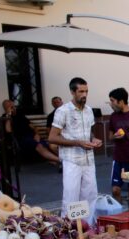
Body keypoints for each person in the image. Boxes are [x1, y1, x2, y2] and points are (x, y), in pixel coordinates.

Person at [48, 77, 102, 218]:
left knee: (90, 197)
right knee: (71, 198)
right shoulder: (63, 111)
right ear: (72, 92)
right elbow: (52, 137)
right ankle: (69, 232)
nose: (84, 95)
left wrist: (94, 139)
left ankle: (89, 230)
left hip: (89, 160)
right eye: (81, 91)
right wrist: (77, 142)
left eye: (86, 91)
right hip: (72, 160)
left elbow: (89, 133)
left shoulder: (89, 110)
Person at [2, 99, 61, 167]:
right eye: (10, 107)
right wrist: (8, 116)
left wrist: (37, 134)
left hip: (32, 136)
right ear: (5, 109)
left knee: (45, 145)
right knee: (39, 146)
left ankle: (56, 160)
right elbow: (8, 130)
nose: (13, 108)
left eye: (13, 106)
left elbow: (33, 127)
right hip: (22, 139)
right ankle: (61, 161)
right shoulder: (5, 118)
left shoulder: (20, 115)